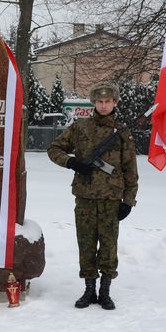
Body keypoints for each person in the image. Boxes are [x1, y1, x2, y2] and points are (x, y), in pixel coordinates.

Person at [47, 82, 138, 310]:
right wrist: (72, 163)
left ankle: (105, 291)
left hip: (110, 199)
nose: (104, 105)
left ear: (115, 102)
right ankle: (89, 290)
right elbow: (54, 149)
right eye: (100, 101)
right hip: (85, 197)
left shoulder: (122, 132)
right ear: (93, 103)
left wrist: (128, 200)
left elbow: (130, 170)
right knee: (86, 244)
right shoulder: (80, 128)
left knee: (108, 246)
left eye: (108, 101)